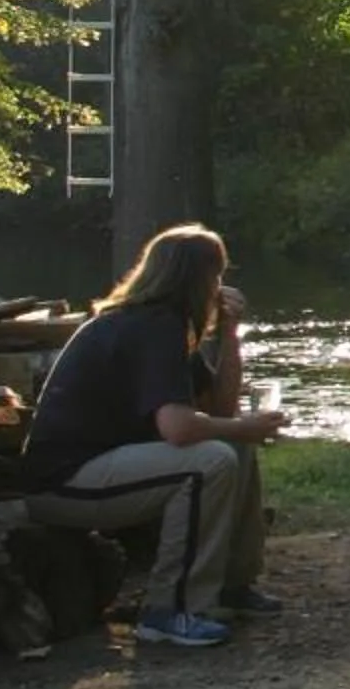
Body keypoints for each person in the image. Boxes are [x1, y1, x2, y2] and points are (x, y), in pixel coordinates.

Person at [20, 225, 287, 649]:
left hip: (103, 468)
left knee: (233, 443)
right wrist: (242, 426)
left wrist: (230, 335)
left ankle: (231, 585)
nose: (221, 288)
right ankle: (169, 609)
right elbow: (178, 428)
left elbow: (219, 411)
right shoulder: (152, 326)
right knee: (209, 461)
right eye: (215, 276)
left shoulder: (167, 327)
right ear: (194, 279)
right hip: (65, 483)